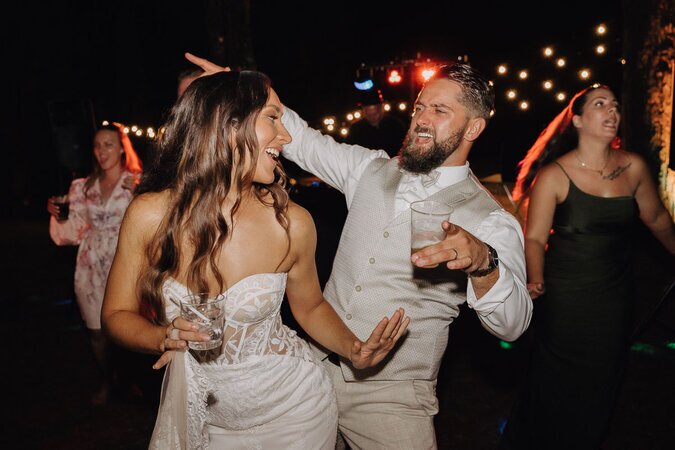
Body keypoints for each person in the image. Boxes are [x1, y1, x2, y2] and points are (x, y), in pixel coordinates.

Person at [187, 53, 532, 449]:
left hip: (393, 396)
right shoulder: (369, 168)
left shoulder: (491, 220)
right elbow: (302, 139)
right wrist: (243, 89)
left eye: (439, 110)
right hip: (310, 372)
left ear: (474, 127)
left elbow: (513, 325)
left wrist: (484, 265)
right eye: (420, 106)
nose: (421, 117)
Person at [100, 70, 409, 449]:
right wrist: (161, 336)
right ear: (228, 124)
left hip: (296, 413)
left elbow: (310, 307)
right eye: (272, 117)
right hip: (203, 418)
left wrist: (353, 349)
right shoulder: (149, 215)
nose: (287, 136)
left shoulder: (291, 222)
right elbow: (115, 315)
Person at [501, 84, 675, 449]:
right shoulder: (554, 175)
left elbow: (657, 217)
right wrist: (536, 277)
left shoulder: (634, 167)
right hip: (565, 297)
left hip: (614, 296)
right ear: (578, 119)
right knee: (555, 380)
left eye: (615, 105)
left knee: (603, 380)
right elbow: (533, 238)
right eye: (600, 104)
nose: (612, 111)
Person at [48, 122, 143, 405]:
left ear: (122, 148)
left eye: (108, 144)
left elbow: (155, 223)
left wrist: (141, 192)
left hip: (125, 260)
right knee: (96, 331)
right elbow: (73, 231)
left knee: (128, 327)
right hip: (91, 263)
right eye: (97, 146)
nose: (101, 151)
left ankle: (131, 378)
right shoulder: (82, 187)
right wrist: (60, 215)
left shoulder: (136, 182)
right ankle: (108, 379)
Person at [345, 88, 407, 158]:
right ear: (363, 111)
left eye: (375, 114)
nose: (372, 117)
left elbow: (404, 150)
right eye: (369, 114)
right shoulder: (355, 130)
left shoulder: (395, 125)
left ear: (381, 108)